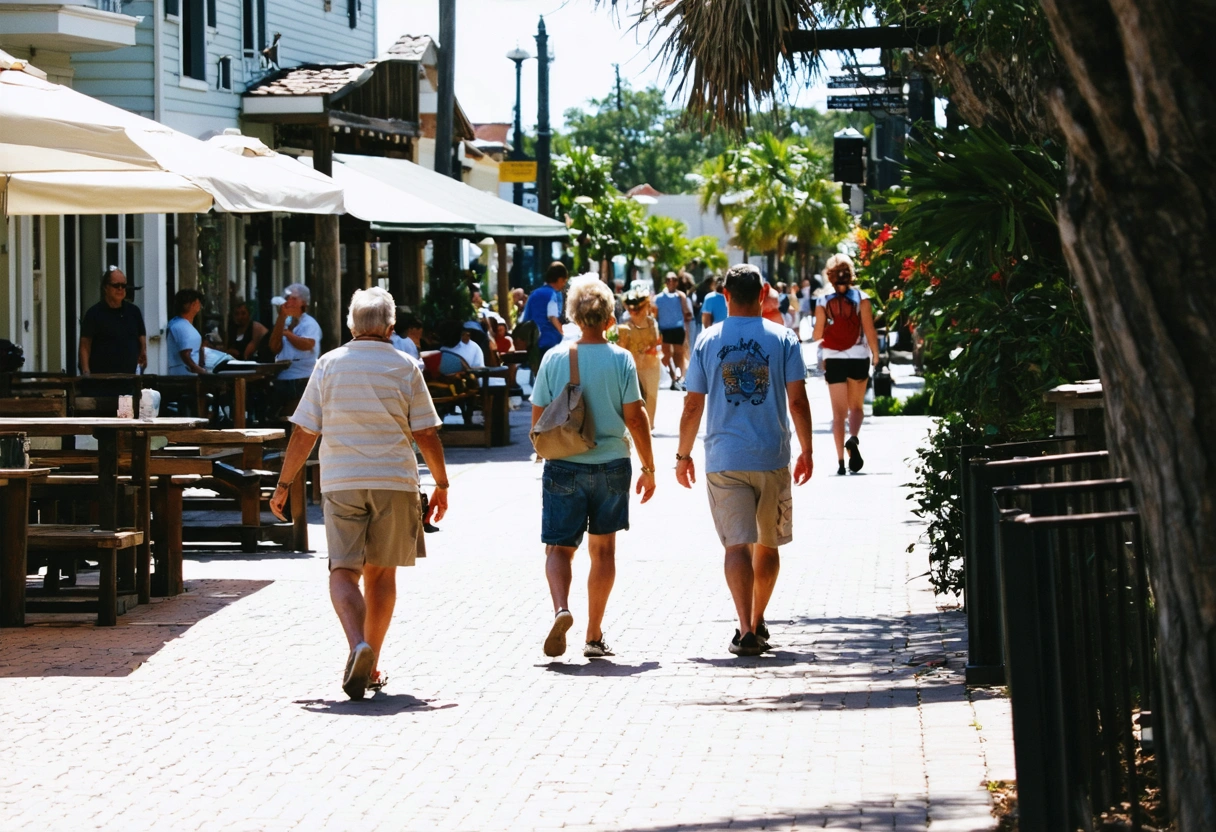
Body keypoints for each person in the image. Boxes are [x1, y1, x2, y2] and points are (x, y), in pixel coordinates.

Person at [270, 287, 449, 700]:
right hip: (394, 482)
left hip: (343, 481)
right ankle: (372, 662)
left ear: (351, 325)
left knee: (343, 571)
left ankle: (357, 646)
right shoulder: (406, 366)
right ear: (390, 327)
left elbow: (305, 431)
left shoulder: (329, 365)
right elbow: (425, 432)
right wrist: (441, 483)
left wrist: (282, 484)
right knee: (382, 574)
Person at [676, 264, 814, 657]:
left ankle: (744, 628)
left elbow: (692, 406)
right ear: (764, 292)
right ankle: (757, 618)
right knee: (767, 546)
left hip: (724, 459)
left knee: (737, 546)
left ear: (724, 296)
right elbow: (798, 401)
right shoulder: (783, 338)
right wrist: (807, 449)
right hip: (772, 455)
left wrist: (682, 455)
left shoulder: (707, 340)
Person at [531, 277, 657, 659]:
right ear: (609, 317)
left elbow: (537, 418)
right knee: (603, 552)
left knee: (558, 549)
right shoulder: (621, 359)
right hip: (612, 465)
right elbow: (636, 419)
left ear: (573, 314)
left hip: (564, 465)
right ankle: (593, 634)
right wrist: (649, 468)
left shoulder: (555, 357)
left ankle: (561, 608)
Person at [812, 254, 880, 475]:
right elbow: (870, 330)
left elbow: (817, 334)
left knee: (838, 414)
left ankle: (841, 462)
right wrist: (876, 355)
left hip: (834, 358)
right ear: (851, 275)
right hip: (859, 357)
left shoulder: (822, 301)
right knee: (856, 407)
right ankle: (853, 439)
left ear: (830, 276)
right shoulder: (863, 298)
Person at [79, 267, 146, 375]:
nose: (120, 289)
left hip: (129, 380)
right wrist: (86, 372)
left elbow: (141, 338)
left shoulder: (134, 312)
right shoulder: (94, 313)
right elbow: (85, 345)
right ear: (106, 287)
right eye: (116, 285)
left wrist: (142, 355)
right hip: (101, 380)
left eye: (123, 286)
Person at [270, 283, 322, 416]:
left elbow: (308, 344)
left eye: (294, 299)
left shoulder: (309, 324)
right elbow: (274, 347)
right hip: (283, 377)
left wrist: (288, 334)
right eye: (288, 298)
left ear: (303, 303)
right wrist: (281, 318)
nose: (289, 302)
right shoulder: (286, 322)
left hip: (301, 379)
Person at [615, 289, 662, 428]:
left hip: (651, 365)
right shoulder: (624, 328)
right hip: (633, 367)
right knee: (634, 398)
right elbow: (621, 351)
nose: (635, 312)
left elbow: (657, 341)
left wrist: (650, 349)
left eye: (639, 308)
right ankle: (635, 425)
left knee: (651, 395)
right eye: (631, 309)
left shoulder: (652, 322)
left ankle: (648, 425)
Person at [521, 261, 569, 367]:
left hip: (533, 344)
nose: (564, 284)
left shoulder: (533, 294)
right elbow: (552, 316)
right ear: (560, 279)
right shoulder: (554, 294)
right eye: (564, 281)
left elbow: (525, 319)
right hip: (551, 342)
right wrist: (564, 334)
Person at [654, 272, 692, 391]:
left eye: (674, 280)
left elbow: (687, 313)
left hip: (678, 328)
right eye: (669, 280)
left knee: (679, 354)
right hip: (664, 329)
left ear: (677, 282)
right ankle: (673, 377)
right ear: (665, 282)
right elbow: (655, 315)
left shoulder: (680, 296)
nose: (671, 282)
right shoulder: (658, 298)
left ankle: (680, 377)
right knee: (666, 355)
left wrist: (687, 329)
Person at [166, 289, 207, 376]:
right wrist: (199, 370)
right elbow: (185, 353)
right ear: (193, 304)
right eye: (198, 302)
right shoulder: (180, 325)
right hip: (183, 374)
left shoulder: (180, 324)